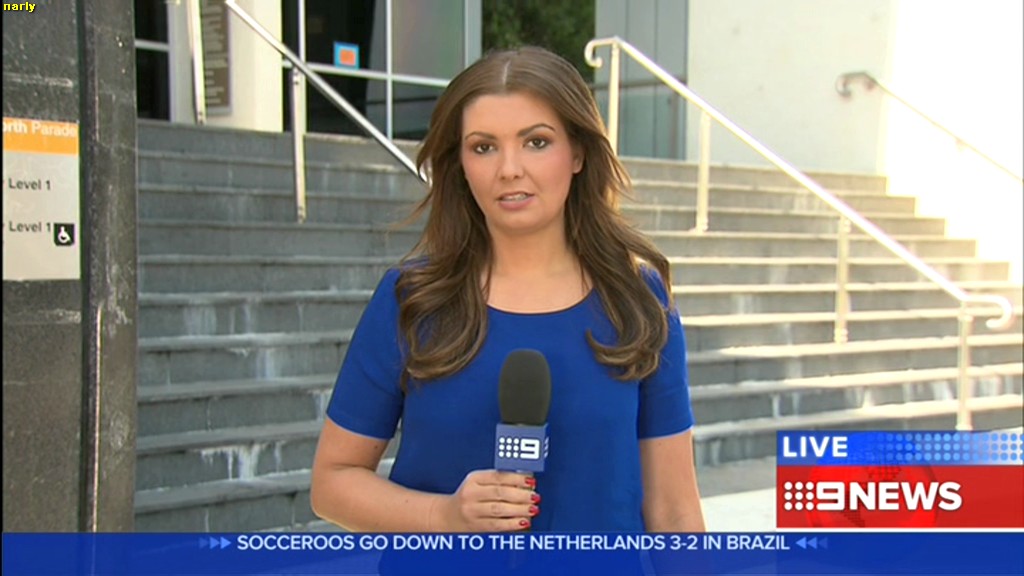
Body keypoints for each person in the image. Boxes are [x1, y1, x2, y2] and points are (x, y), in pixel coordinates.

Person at [310, 45, 705, 533]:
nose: (509, 169)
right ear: (460, 163)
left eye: (536, 142)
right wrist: (444, 515)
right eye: (483, 147)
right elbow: (333, 483)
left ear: (578, 152)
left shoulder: (639, 299)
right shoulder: (412, 298)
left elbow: (675, 510)